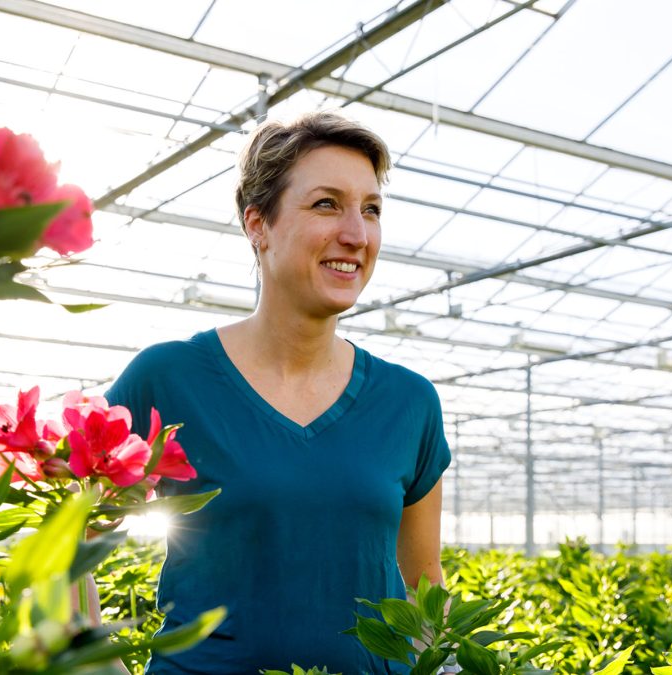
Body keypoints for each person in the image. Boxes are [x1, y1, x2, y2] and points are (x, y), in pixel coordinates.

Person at [105, 110, 451, 674]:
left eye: (371, 210)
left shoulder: (409, 403)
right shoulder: (167, 379)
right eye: (326, 204)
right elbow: (66, 544)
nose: (356, 234)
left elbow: (422, 583)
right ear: (257, 225)